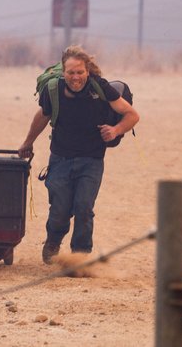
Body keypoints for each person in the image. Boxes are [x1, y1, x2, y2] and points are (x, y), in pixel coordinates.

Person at [18, 45, 139, 264]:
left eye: (80, 72)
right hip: (60, 159)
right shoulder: (53, 90)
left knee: (84, 207)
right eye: (71, 72)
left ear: (88, 71)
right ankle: (53, 242)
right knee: (60, 209)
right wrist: (28, 142)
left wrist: (115, 130)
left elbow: (131, 114)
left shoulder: (100, 88)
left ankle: (80, 256)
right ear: (63, 72)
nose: (76, 77)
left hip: (91, 160)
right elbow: (42, 117)